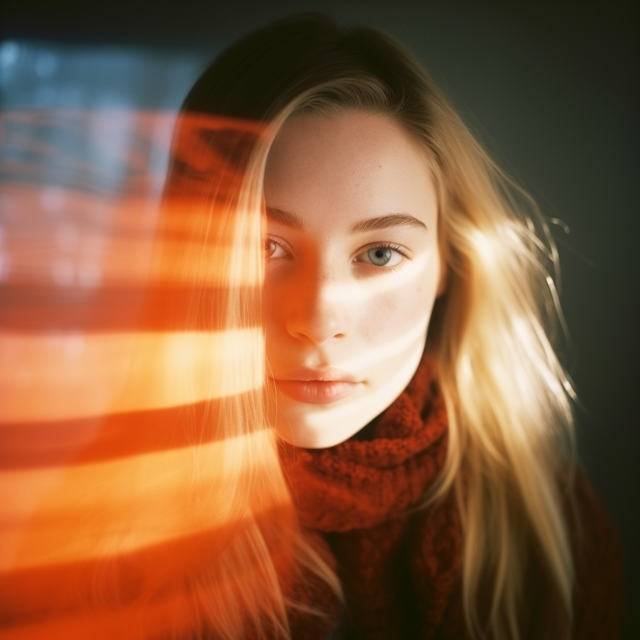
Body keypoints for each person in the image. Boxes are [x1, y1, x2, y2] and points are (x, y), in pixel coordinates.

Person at [161, 12, 622, 640]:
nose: (319, 322)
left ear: (445, 268)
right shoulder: (85, 529)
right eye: (261, 246)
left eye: (379, 253)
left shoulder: (548, 529)